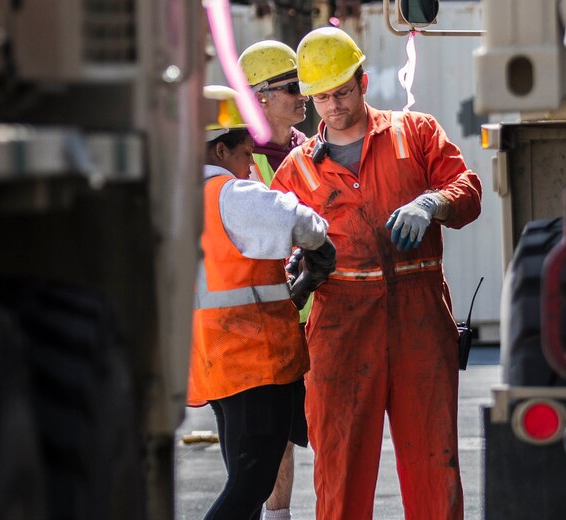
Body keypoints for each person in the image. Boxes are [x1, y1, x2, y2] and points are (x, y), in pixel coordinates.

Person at [270, 28, 483, 520]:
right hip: (341, 327)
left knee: (435, 465)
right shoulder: (298, 170)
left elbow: (466, 188)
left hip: (421, 319)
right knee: (341, 470)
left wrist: (433, 202)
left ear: (363, 82)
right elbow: (273, 250)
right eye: (322, 97)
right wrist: (292, 272)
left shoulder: (417, 132)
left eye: (342, 92)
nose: (333, 106)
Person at [187, 85, 336, 520]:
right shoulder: (231, 195)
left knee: (242, 479)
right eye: (245, 153)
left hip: (215, 363)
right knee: (251, 483)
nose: (252, 164)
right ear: (221, 150)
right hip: (255, 361)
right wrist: (319, 246)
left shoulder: (178, 204)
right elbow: (300, 219)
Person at [238, 39, 311, 520]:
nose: (304, 95)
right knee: (260, 442)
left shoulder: (311, 150)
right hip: (257, 320)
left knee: (295, 433)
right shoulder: (242, 161)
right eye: (292, 87)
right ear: (260, 97)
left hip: (308, 314)